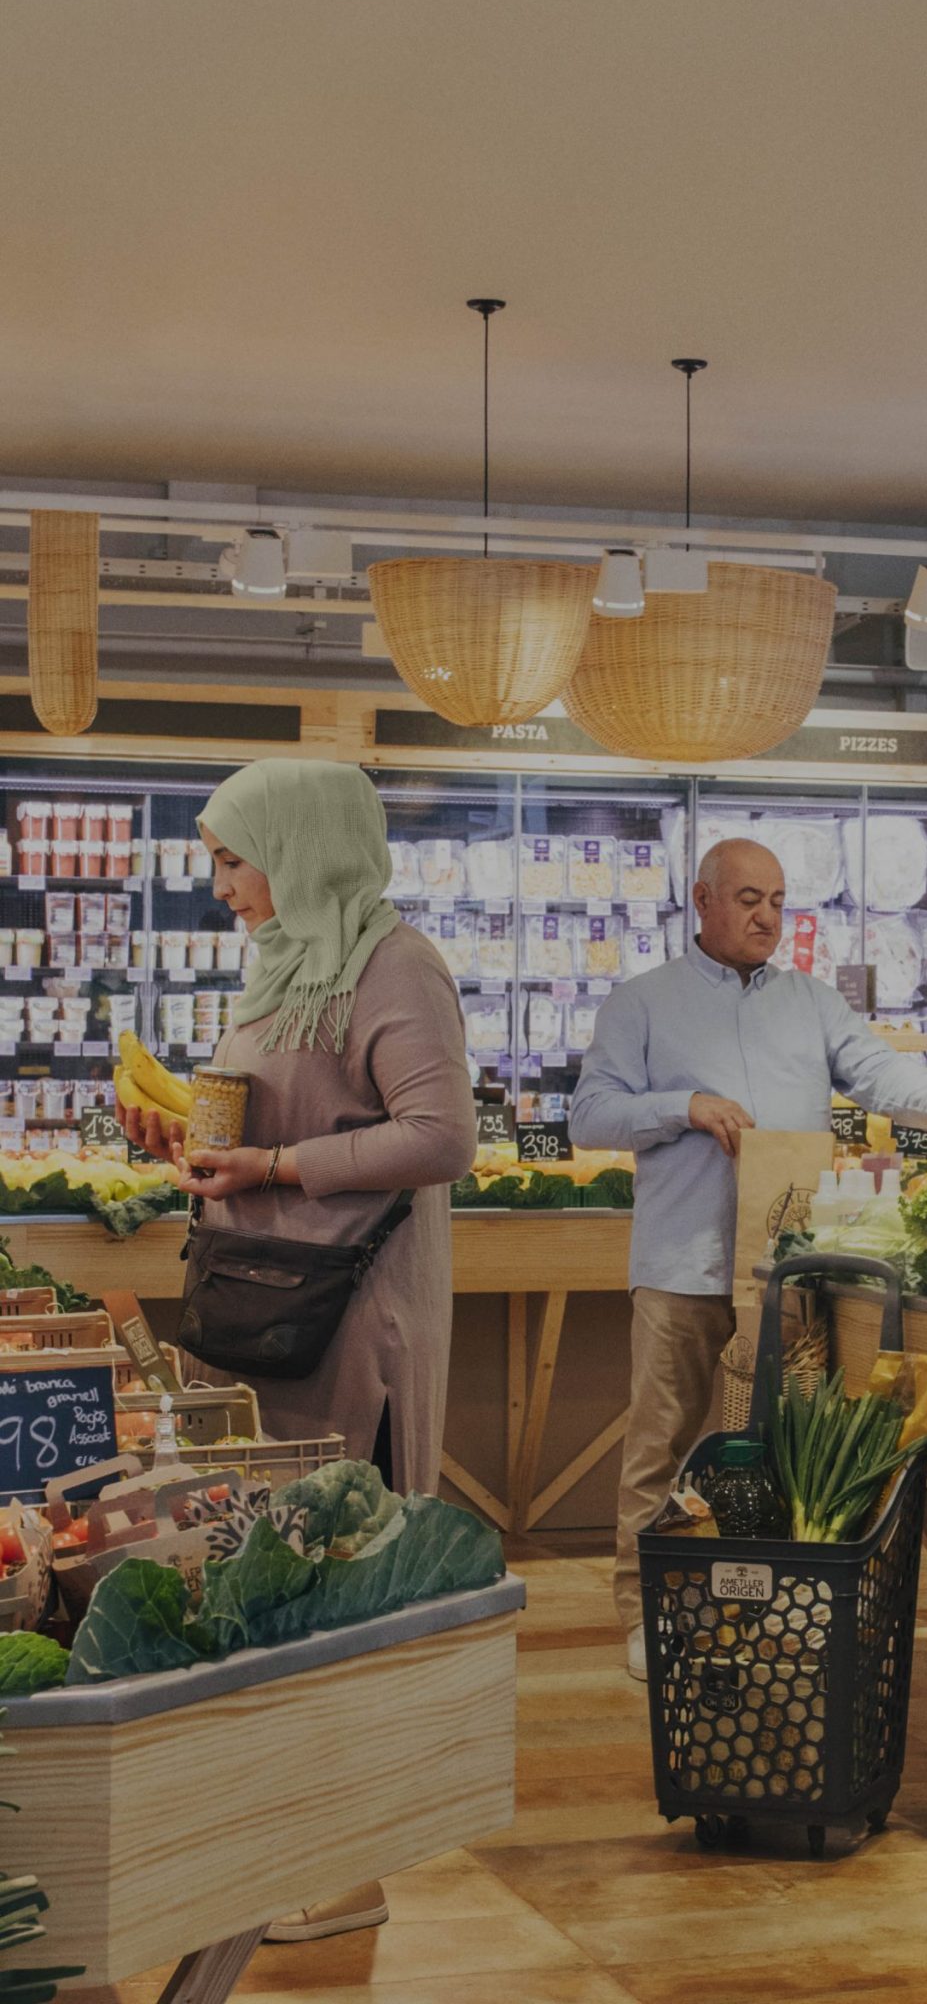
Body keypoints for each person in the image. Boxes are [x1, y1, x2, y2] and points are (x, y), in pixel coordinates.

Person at [117, 758, 476, 1945]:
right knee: (270, 1572)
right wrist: (186, 1135)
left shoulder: (394, 962)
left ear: (307, 840)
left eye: (235, 856)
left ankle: (349, 1862)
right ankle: (283, 1829)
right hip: (262, 1310)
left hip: (347, 1317)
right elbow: (283, 1118)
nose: (220, 884)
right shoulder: (284, 961)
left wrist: (273, 1169)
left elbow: (439, 1137)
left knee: (342, 1573)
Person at [571, 836, 927, 1679]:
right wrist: (683, 1106)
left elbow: (880, 1073)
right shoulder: (641, 1002)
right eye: (747, 899)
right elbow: (589, 1116)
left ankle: (771, 1603)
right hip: (680, 1265)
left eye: (777, 900)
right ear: (701, 902)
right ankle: (647, 1614)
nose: (765, 916)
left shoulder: (811, 1003)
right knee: (659, 1446)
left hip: (789, 1274)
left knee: (783, 1448)